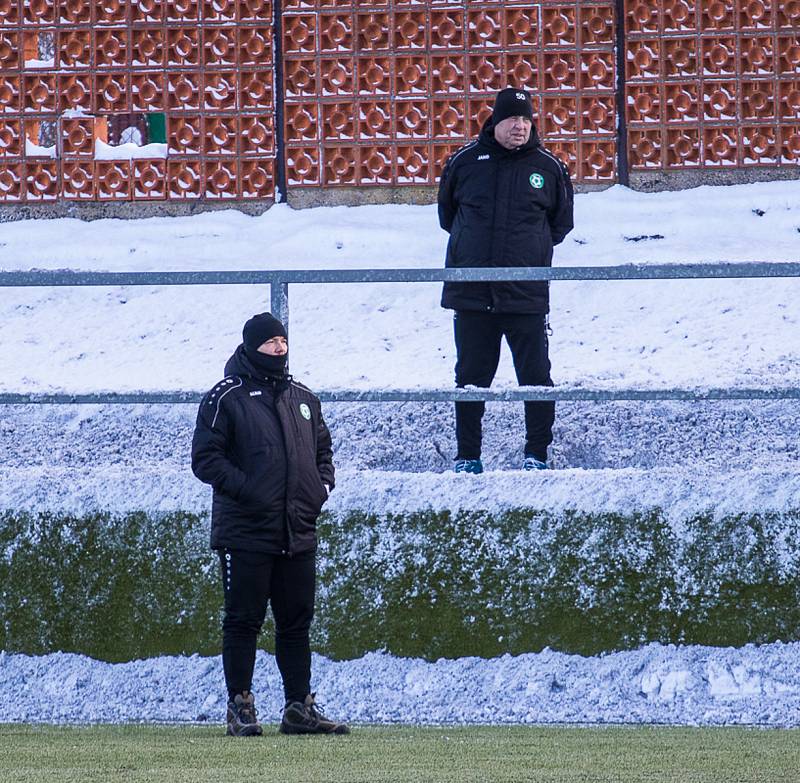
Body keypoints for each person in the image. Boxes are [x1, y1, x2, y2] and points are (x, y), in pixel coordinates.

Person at [191, 312, 349, 737]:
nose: (279, 348)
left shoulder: (303, 397)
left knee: (296, 622)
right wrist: (251, 492)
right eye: (270, 342)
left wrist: (321, 486)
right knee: (243, 620)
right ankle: (240, 706)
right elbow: (206, 460)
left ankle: (299, 707)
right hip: (246, 531)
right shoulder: (225, 397)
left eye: (283, 340)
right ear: (251, 346)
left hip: (297, 529)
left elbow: (322, 449)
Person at [438, 87, 574, 474]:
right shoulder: (465, 162)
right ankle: (467, 457)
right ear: (495, 121)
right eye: (512, 119)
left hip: (525, 294)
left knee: (535, 378)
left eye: (526, 120)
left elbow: (560, 224)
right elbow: (447, 217)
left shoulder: (548, 167)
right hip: (472, 293)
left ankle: (536, 455)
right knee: (469, 379)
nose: (519, 126)